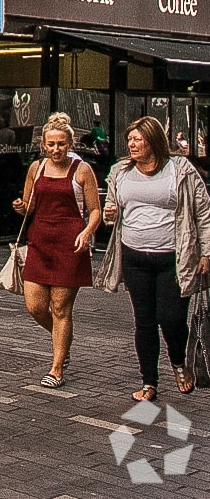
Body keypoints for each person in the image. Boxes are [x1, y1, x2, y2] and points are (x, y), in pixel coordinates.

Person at [100, 115, 210, 401]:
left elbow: (203, 213)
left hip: (173, 258)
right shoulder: (120, 172)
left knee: (171, 317)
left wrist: (207, 252)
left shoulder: (180, 170)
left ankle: (178, 362)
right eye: (130, 140)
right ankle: (149, 381)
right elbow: (112, 210)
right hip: (134, 256)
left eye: (138, 139)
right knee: (144, 320)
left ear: (153, 140)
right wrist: (110, 215)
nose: (132, 144)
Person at [13, 110, 102, 388]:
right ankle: (63, 339)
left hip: (69, 244)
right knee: (35, 306)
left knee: (61, 307)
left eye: (61, 144)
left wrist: (87, 232)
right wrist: (21, 207)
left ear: (70, 143)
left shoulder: (83, 170)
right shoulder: (35, 169)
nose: (56, 149)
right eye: (51, 144)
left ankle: (57, 367)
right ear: (43, 144)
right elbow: (30, 206)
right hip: (39, 242)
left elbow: (95, 211)